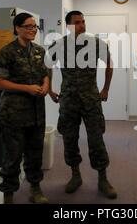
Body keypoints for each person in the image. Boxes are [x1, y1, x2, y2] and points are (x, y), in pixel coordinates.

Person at [47, 10, 117, 199]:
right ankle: (75, 176)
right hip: (68, 100)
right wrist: (49, 89)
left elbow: (110, 64)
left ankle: (103, 179)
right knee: (69, 139)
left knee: (96, 140)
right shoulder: (59, 45)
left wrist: (106, 89)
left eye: (83, 21)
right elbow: (47, 65)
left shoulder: (95, 43)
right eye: (77, 22)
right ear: (69, 25)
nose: (82, 25)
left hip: (91, 100)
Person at [0, 12, 50, 204]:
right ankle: (8, 195)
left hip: (36, 114)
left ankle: (35, 189)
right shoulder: (6, 52)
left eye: (35, 26)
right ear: (17, 28)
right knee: (12, 158)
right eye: (28, 26)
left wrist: (47, 85)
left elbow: (45, 73)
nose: (33, 30)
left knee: (35, 154)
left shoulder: (39, 51)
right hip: (13, 115)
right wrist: (26, 88)